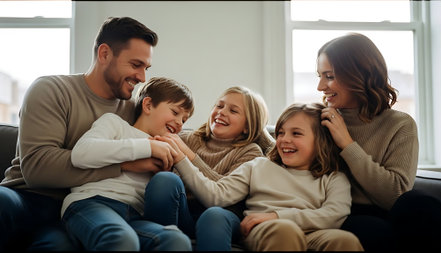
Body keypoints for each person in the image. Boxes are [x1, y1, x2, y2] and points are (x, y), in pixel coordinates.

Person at [0, 16, 159, 251]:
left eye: (146, 68)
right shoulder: (51, 90)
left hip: (78, 207)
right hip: (25, 197)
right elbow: (38, 169)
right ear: (104, 54)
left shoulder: (133, 111)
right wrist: (124, 164)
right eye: (135, 65)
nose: (142, 78)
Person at [146, 103, 364, 251]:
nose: (284, 140)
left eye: (296, 134)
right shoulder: (259, 166)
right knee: (284, 231)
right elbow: (217, 195)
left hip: (312, 232)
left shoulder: (334, 178)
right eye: (280, 133)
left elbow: (334, 214)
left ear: (321, 141)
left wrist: (277, 215)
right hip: (263, 231)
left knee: (345, 240)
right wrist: (182, 159)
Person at [316, 32, 441, 252]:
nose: (321, 86)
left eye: (329, 76)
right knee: (374, 230)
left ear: (358, 74)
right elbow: (276, 143)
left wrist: (347, 145)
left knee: (420, 204)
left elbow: (396, 195)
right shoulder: (319, 119)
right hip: (341, 212)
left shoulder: (400, 124)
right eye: (319, 76)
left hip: (391, 210)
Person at [62, 77, 194, 251]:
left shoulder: (169, 149)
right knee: (121, 238)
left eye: (184, 120)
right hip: (91, 203)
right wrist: (148, 146)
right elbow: (81, 153)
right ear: (148, 105)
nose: (179, 123)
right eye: (175, 113)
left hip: (135, 215)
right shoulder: (115, 124)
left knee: (176, 240)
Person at [144, 86, 274, 249]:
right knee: (165, 180)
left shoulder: (250, 152)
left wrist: (188, 156)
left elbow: (221, 193)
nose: (222, 112)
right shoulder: (184, 138)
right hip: (183, 213)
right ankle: (164, 241)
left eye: (233, 111)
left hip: (222, 217)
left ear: (247, 126)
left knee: (213, 215)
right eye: (219, 106)